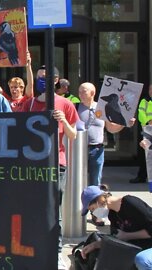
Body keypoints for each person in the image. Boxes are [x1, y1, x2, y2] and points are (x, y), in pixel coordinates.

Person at [19, 65, 79, 270]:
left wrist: (64, 121)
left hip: (56, 163)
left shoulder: (65, 104)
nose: (41, 80)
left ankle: (56, 251)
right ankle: (32, 247)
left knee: (54, 209)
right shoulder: (30, 104)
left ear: (56, 80)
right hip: (32, 164)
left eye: (46, 77)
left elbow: (73, 135)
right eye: (39, 77)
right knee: (31, 206)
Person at [76, 82, 134, 226]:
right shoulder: (75, 107)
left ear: (92, 93)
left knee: (95, 183)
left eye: (84, 91)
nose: (80, 94)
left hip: (96, 150)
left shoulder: (101, 108)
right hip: (77, 150)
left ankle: (97, 215)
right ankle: (76, 212)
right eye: (79, 91)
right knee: (76, 182)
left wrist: (125, 124)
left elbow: (111, 128)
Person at [80, 185, 152, 270]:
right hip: (141, 247)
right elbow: (116, 240)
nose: (94, 213)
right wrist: (95, 245)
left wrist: (127, 235)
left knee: (142, 260)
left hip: (147, 248)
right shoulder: (112, 215)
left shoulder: (129, 203)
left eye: (92, 209)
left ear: (99, 199)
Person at [130, 84, 152, 183]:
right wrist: (149, 120)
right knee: (145, 156)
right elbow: (141, 117)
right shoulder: (144, 102)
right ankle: (142, 176)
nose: (151, 91)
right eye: (150, 89)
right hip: (148, 131)